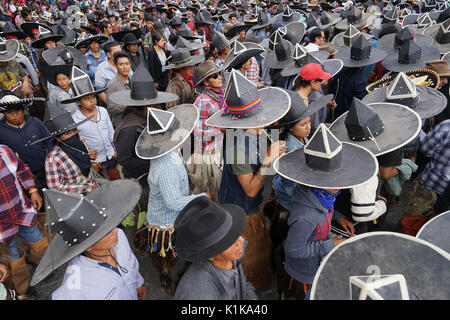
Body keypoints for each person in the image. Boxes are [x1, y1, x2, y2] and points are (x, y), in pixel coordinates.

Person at [275, 124, 378, 300]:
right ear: (316, 181)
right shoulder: (305, 217)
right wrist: (330, 244)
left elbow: (325, 210)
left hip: (316, 262)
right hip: (305, 274)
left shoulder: (322, 196)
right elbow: (294, 249)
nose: (341, 185)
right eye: (336, 180)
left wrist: (339, 217)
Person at [210, 69, 291, 290]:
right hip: (240, 211)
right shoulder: (238, 148)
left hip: (247, 208)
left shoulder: (251, 134)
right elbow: (251, 190)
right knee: (246, 260)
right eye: (260, 117)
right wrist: (268, 161)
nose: (266, 120)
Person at [133, 102, 206, 295]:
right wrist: (200, 197)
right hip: (166, 226)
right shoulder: (167, 168)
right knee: (173, 265)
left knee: (171, 264)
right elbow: (173, 202)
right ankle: (178, 290)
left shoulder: (169, 151)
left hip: (168, 218)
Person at [28, 180, 145, 300]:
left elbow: (131, 264)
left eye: (109, 225)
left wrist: (138, 283)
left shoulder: (118, 235)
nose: (115, 230)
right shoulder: (74, 288)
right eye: (105, 232)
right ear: (88, 246)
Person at [173, 196, 257, 300]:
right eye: (229, 242)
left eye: (235, 234)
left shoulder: (233, 255)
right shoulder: (200, 295)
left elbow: (241, 282)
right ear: (211, 255)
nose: (241, 241)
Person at [0, 144, 47, 296]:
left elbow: (22, 169)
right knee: (14, 263)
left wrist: (32, 190)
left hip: (21, 212)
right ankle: (22, 290)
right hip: (2, 229)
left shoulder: (4, 151)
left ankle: (42, 267)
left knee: (40, 243)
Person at [0, 91, 51, 194]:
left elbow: (50, 141)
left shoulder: (35, 122)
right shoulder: (1, 129)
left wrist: (51, 162)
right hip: (21, 177)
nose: (15, 115)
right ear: (4, 114)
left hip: (46, 171)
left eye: (18, 110)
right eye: (10, 112)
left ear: (23, 109)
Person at [188, 60, 225, 201]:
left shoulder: (218, 96)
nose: (219, 77)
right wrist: (220, 128)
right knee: (210, 192)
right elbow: (197, 131)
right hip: (208, 155)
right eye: (215, 76)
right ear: (206, 83)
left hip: (217, 149)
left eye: (219, 74)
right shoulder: (204, 101)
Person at [70, 76, 118, 181]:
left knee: (117, 179)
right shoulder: (75, 119)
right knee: (102, 184)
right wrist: (88, 157)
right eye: (87, 99)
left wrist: (114, 148)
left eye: (93, 97)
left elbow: (110, 131)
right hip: (95, 160)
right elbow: (77, 143)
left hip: (110, 154)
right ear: (78, 102)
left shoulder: (103, 111)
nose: (92, 101)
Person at [420, 119, 450, 213]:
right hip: (442, 188)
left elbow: (426, 150)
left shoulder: (446, 126)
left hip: (433, 184)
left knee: (413, 220)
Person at [106, 51, 132, 127]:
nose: (125, 67)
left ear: (130, 64)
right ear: (116, 66)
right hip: (121, 123)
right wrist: (129, 104)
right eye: (121, 64)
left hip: (135, 119)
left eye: (127, 64)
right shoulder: (112, 85)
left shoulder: (133, 79)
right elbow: (111, 107)